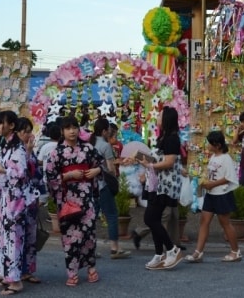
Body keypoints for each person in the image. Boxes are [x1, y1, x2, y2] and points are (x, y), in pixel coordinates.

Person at [45, 115, 103, 287]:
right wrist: (68, 175)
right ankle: (72, 271)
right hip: (67, 199)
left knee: (89, 234)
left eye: (75, 127)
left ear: (79, 129)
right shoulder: (57, 153)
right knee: (70, 237)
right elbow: (49, 177)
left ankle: (91, 267)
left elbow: (101, 163)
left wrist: (97, 170)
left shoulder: (88, 148)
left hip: (86, 198)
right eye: (68, 128)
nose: (72, 131)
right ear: (62, 131)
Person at [0, 111, 32, 295]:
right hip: (8, 198)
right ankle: (5, 274)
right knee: (4, 238)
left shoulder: (18, 148)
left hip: (16, 199)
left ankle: (15, 281)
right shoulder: (7, 145)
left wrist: (2, 169)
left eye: (2, 123)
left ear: (11, 125)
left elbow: (21, 173)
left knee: (13, 239)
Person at [184, 130, 241, 263]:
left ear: (218, 145)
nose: (208, 146)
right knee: (204, 221)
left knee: (225, 223)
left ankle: (235, 251)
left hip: (222, 194)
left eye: (210, 143)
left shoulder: (226, 158)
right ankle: (198, 252)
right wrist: (204, 182)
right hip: (211, 194)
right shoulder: (213, 157)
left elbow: (229, 177)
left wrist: (212, 184)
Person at [138, 106, 184, 270]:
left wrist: (149, 165)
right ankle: (159, 254)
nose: (157, 117)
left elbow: (169, 162)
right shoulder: (164, 137)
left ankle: (172, 250)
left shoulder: (172, 138)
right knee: (153, 218)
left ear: (167, 119)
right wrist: (146, 165)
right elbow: (159, 159)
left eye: (160, 115)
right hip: (155, 183)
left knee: (150, 218)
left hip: (165, 185)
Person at [91, 118, 130, 259]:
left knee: (92, 217)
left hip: (90, 185)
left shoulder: (89, 144)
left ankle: (91, 248)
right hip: (103, 185)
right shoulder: (105, 146)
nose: (109, 132)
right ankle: (115, 248)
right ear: (103, 131)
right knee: (112, 215)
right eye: (108, 130)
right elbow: (110, 169)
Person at [16, 117, 43, 285]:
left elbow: (36, 174)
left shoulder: (30, 150)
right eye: (24, 131)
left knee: (31, 236)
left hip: (31, 197)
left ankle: (28, 270)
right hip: (17, 200)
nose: (28, 135)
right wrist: (27, 151)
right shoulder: (15, 150)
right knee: (17, 237)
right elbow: (19, 172)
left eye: (29, 131)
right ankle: (14, 271)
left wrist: (39, 194)